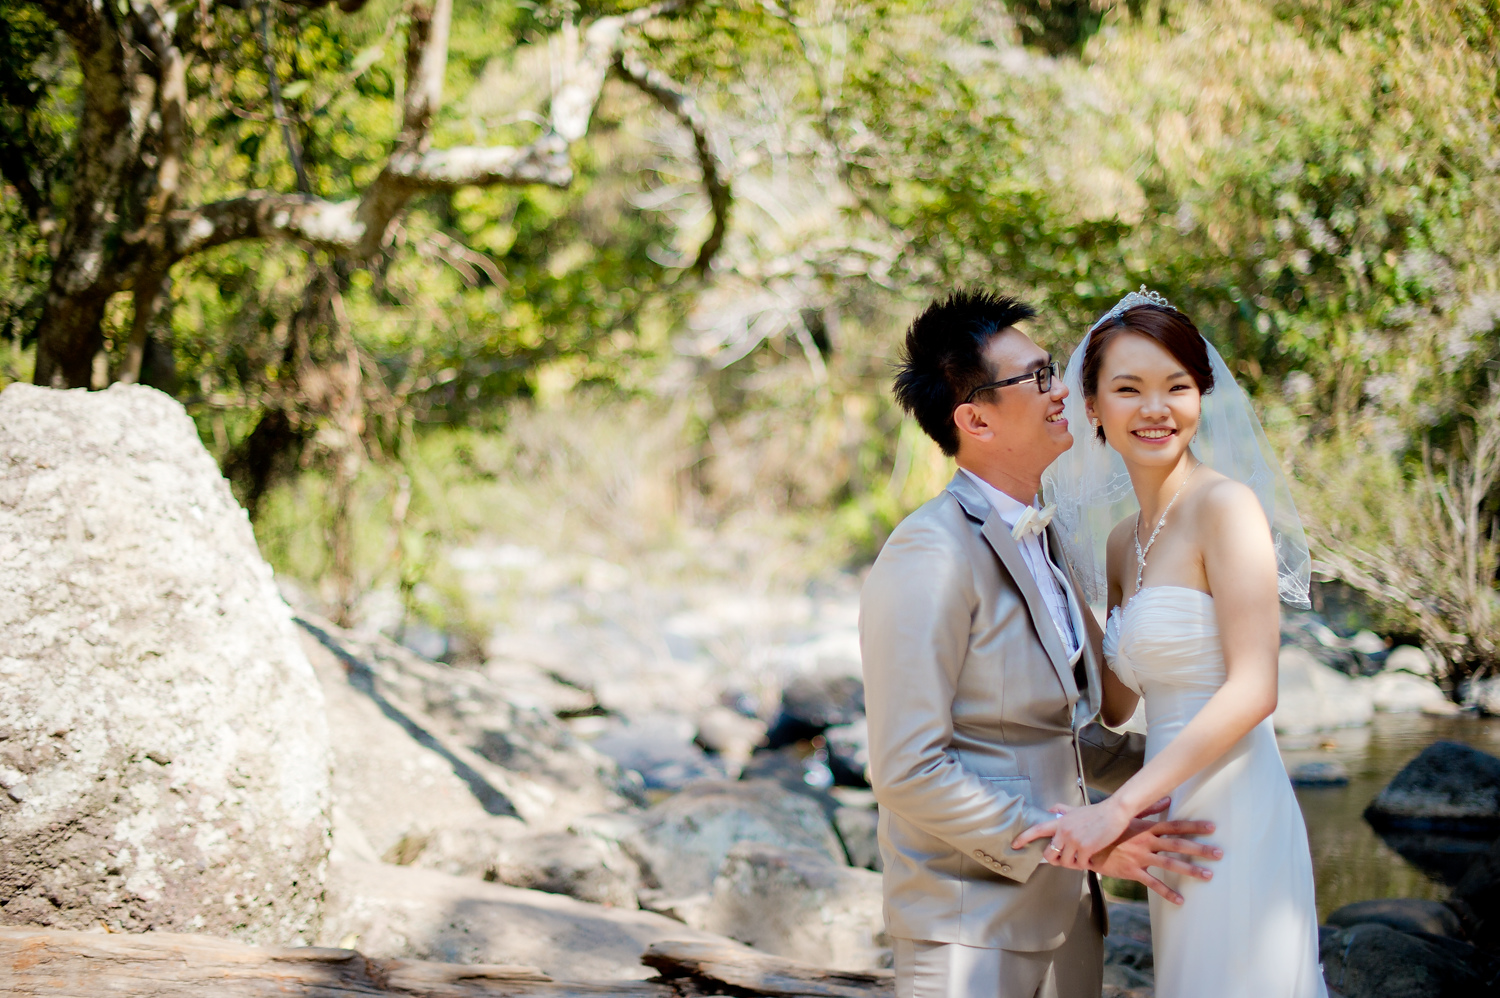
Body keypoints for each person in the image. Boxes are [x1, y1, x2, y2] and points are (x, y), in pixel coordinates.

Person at [861, 290, 1222, 998]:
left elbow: (1064, 735)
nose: (1061, 390)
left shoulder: (1045, 536)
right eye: (1036, 378)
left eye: (1051, 369)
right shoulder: (929, 553)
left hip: (1068, 920)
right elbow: (906, 770)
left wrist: (1198, 770)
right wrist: (1082, 842)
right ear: (975, 419)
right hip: (969, 928)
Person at [1015, 287, 1327, 998]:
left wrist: (1118, 808)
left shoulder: (1227, 508)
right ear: (1093, 406)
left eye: (1176, 387)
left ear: (1201, 396)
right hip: (1168, 811)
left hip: (1234, 801)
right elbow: (1119, 704)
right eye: (1129, 389)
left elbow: (1256, 689)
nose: (1155, 409)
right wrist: (1049, 569)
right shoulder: (1123, 542)